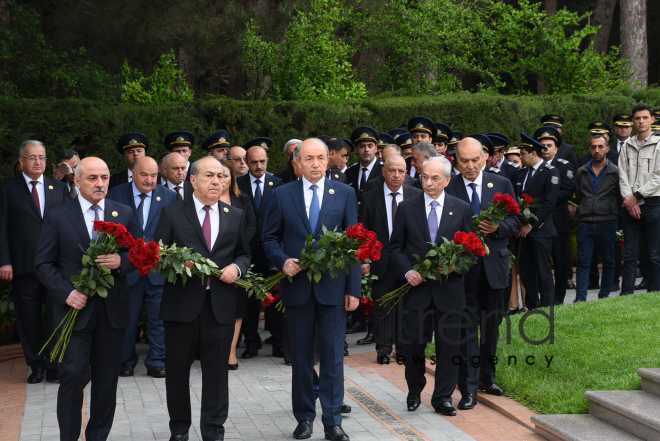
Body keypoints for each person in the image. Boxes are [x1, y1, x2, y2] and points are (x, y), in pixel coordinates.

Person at [262, 138, 360, 441]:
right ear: (298, 162)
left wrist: (354, 288)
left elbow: (354, 243)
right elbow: (268, 238)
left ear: (328, 160)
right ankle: (304, 417)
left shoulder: (344, 194)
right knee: (301, 358)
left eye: (320, 158)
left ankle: (332, 421)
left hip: (333, 288)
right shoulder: (280, 195)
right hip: (298, 290)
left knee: (332, 357)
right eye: (309, 159)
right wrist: (282, 262)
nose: (315, 163)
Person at [35, 157, 135, 441]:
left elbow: (139, 256)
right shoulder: (57, 215)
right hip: (73, 314)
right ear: (76, 181)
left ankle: (97, 437)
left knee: (106, 383)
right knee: (72, 376)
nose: (100, 183)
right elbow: (42, 263)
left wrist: (121, 261)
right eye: (92, 178)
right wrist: (67, 292)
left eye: (104, 177)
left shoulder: (123, 213)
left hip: (111, 312)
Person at [156, 156, 251, 441]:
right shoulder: (172, 213)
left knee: (217, 375)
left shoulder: (235, 215)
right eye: (209, 176)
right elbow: (157, 255)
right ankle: (180, 429)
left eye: (221, 176)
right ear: (193, 180)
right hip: (181, 307)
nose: (216, 181)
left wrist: (237, 268)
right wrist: (176, 265)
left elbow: (245, 253)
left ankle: (213, 430)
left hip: (219, 308)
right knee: (176, 374)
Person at [388, 156, 472, 416]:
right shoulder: (406, 207)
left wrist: (451, 266)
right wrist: (407, 271)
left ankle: (442, 397)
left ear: (447, 180)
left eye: (435, 178)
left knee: (449, 346)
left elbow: (469, 253)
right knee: (413, 345)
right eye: (424, 176)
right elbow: (394, 248)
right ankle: (414, 389)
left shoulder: (461, 209)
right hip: (416, 292)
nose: (428, 182)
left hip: (450, 292)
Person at [446, 138, 519, 409]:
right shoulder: (449, 187)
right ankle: (468, 388)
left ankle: (488, 377)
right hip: (463, 273)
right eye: (464, 161)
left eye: (475, 160)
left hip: (495, 270)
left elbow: (516, 219)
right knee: (466, 331)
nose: (470, 166)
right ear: (456, 160)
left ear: (485, 158)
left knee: (492, 328)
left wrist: (497, 227)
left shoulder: (501, 184)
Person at [0, 140, 68, 384]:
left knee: (55, 316)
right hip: (23, 266)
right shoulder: (8, 189)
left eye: (42, 157)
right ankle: (36, 365)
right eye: (32, 157)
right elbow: (2, 228)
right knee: (28, 318)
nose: (38, 162)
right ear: (21, 162)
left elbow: (67, 226)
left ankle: (54, 364)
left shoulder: (57, 188)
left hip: (54, 267)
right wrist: (4, 261)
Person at [107, 157, 177, 378]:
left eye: (153, 175)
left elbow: (175, 231)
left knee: (158, 319)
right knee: (127, 319)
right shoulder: (117, 194)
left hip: (158, 269)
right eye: (144, 175)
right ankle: (125, 361)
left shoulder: (170, 197)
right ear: (133, 174)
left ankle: (157, 362)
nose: (149, 180)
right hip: (128, 270)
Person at [360, 155, 421, 363]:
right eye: (392, 171)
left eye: (401, 171)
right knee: (382, 305)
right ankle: (383, 348)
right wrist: (365, 259)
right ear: (384, 172)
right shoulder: (370, 197)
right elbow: (365, 230)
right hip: (381, 259)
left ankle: (403, 349)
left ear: (406, 173)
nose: (396, 175)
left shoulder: (416, 195)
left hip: (407, 261)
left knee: (406, 306)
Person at [236, 143, 284, 360]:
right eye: (253, 162)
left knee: (274, 299)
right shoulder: (238, 184)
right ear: (246, 162)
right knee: (249, 301)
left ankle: (278, 341)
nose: (258, 166)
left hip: (272, 253)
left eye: (262, 161)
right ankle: (251, 342)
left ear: (268, 160)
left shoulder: (278, 184)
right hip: (248, 252)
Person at [217, 160, 257, 370]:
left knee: (236, 310)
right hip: (212, 262)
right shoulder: (202, 201)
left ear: (232, 178)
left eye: (225, 175)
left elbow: (251, 228)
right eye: (216, 175)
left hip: (237, 261)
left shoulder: (242, 200)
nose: (221, 180)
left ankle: (231, 351)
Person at [513, 134, 560, 308]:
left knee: (543, 270)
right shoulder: (521, 173)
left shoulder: (550, 172)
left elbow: (549, 203)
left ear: (533, 154)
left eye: (523, 153)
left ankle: (548, 305)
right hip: (522, 230)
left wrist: (531, 224)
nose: (521, 157)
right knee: (526, 269)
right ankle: (532, 304)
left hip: (541, 230)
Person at [618, 104, 660, 294]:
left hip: (653, 204)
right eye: (637, 118)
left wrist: (636, 196)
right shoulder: (627, 145)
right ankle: (626, 295)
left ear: (652, 119)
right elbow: (622, 174)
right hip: (630, 204)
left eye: (645, 117)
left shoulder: (659, 144)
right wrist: (629, 199)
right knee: (629, 254)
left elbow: (659, 177)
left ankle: (655, 292)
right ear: (633, 122)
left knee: (653, 254)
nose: (641, 121)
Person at [574, 134, 620, 302]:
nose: (597, 150)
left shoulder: (615, 171)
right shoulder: (581, 171)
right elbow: (578, 195)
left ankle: (605, 295)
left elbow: (619, 196)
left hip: (607, 220)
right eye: (593, 147)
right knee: (583, 261)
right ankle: (580, 298)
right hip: (586, 222)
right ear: (589, 149)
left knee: (609, 260)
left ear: (607, 148)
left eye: (601, 146)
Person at [534, 126, 575, 305]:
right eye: (542, 146)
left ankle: (558, 298)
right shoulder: (536, 168)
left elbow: (568, 190)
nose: (545, 149)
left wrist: (547, 199)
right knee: (541, 264)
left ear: (556, 147)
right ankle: (544, 299)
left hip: (559, 220)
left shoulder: (563, 166)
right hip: (540, 223)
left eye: (549, 145)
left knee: (561, 262)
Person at [346, 127, 382, 194]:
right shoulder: (350, 172)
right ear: (356, 149)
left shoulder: (384, 170)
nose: (366, 150)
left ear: (376, 148)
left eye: (370, 146)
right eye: (362, 146)